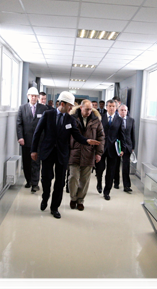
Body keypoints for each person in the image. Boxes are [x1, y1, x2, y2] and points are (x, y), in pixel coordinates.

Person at [31, 91, 100, 219]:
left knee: (60, 182)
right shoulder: (48, 114)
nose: (71, 108)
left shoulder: (70, 119)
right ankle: (45, 197)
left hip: (62, 154)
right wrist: (34, 150)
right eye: (69, 106)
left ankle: (54, 207)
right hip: (47, 152)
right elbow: (37, 132)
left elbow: (76, 135)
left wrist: (86, 141)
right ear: (62, 104)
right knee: (46, 179)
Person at [68, 100, 104, 211]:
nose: (89, 111)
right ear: (81, 108)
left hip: (89, 154)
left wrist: (99, 153)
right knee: (73, 177)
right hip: (74, 152)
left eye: (91, 109)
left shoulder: (96, 121)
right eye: (87, 109)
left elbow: (101, 137)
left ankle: (80, 200)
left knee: (85, 180)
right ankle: (73, 198)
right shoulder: (72, 119)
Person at [16, 87, 48, 193]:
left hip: (38, 142)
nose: (33, 97)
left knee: (36, 162)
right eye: (32, 95)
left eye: (35, 96)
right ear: (28, 96)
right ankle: (28, 180)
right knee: (27, 162)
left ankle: (35, 184)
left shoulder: (43, 109)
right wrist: (20, 137)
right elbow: (19, 124)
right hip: (26, 140)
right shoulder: (22, 108)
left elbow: (46, 125)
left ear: (38, 97)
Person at [96, 100, 125, 200]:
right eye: (110, 106)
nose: (111, 108)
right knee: (100, 168)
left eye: (113, 106)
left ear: (116, 107)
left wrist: (122, 149)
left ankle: (107, 191)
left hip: (114, 149)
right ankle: (99, 182)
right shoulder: (101, 117)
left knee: (111, 171)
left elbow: (122, 136)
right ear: (106, 107)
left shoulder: (119, 120)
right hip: (101, 147)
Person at [113, 104, 135, 193]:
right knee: (116, 165)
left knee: (126, 166)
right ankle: (116, 182)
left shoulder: (131, 120)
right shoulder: (115, 120)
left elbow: (132, 134)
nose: (123, 112)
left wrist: (133, 146)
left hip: (128, 146)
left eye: (125, 110)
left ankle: (127, 185)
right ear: (118, 111)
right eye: (121, 110)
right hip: (118, 145)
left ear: (127, 111)